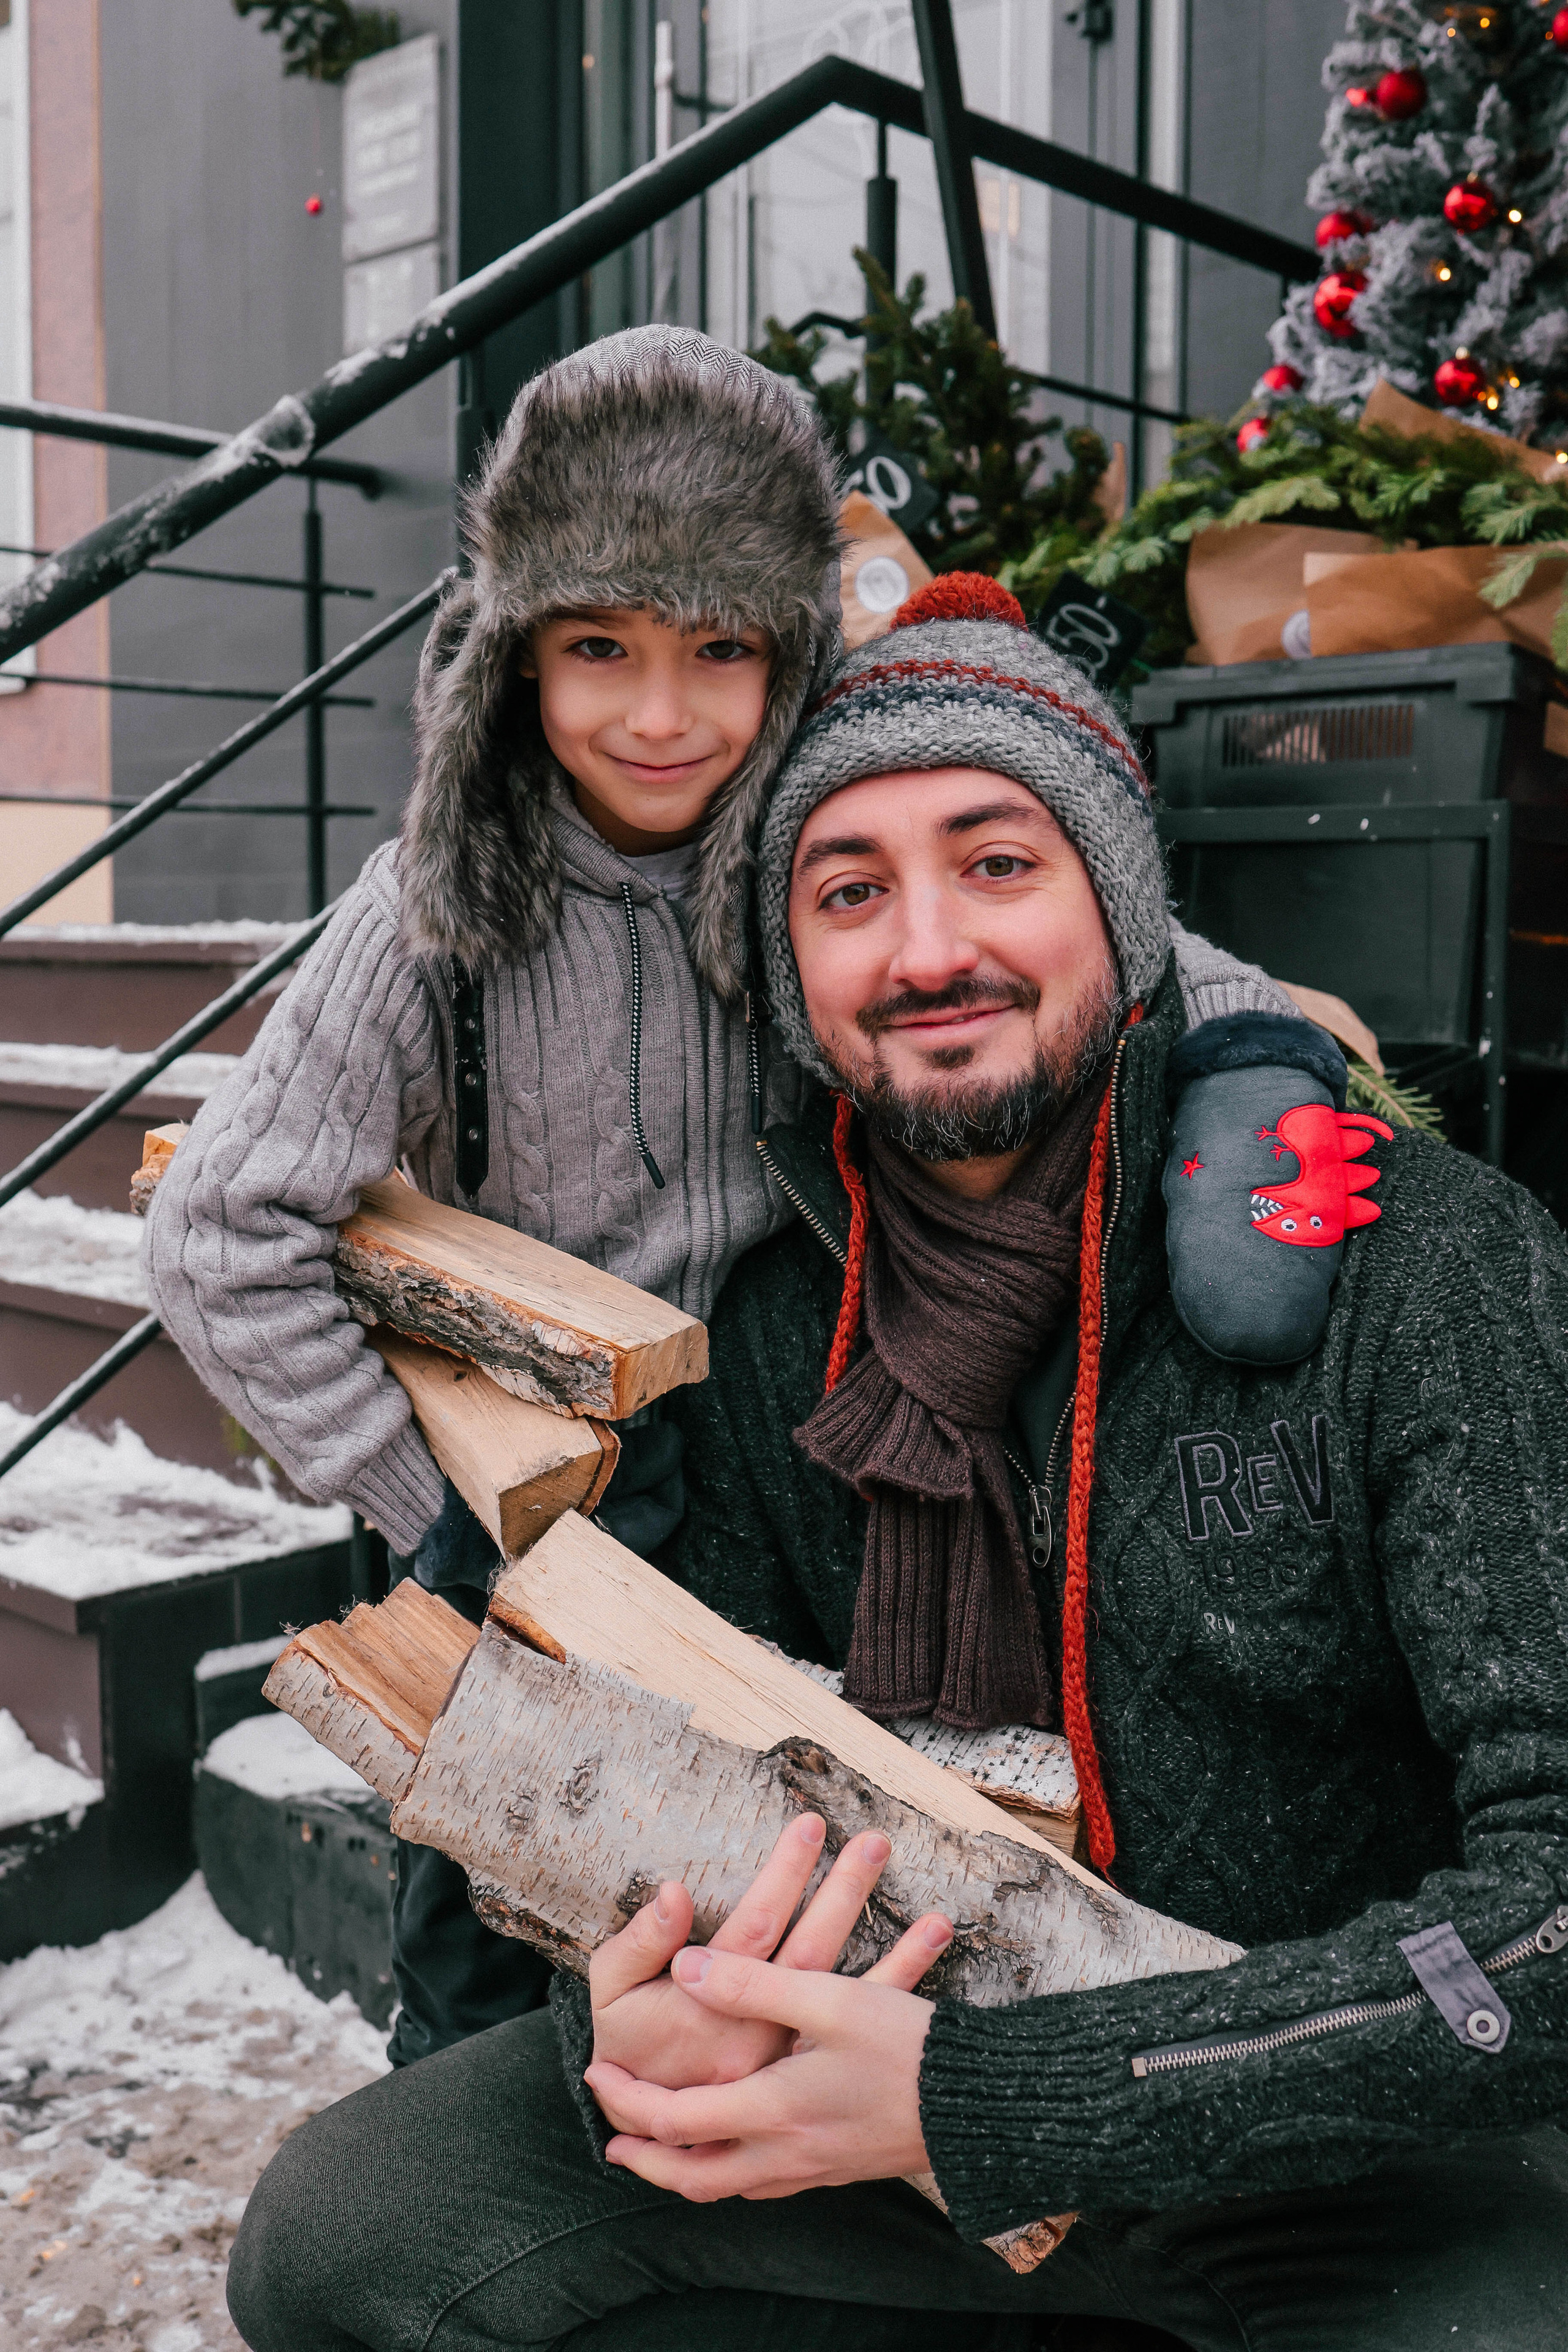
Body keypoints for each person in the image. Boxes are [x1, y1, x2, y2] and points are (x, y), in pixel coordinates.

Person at [225, 572, 1568, 2352]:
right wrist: (632, 2002)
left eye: (999, 863)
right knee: (345, 2236)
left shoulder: (1420, 1266)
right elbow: (695, 1780)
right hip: (881, 2114)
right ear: (791, 975)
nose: (928, 949)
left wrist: (995, 2096)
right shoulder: (779, 1328)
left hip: (1329, 2151)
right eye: (849, 892)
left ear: (1124, 905)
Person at [145, 323, 844, 2066]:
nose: (659, 711)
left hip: (786, 1489)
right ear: (515, 654)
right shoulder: (431, 914)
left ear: (793, 654)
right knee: (480, 1978)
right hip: (533, 1514)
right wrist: (433, 1509)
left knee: (751, 1953)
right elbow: (222, 1233)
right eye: (598, 643)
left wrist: (1261, 1042)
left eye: (720, 646)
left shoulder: (837, 852)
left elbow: (1044, 911)